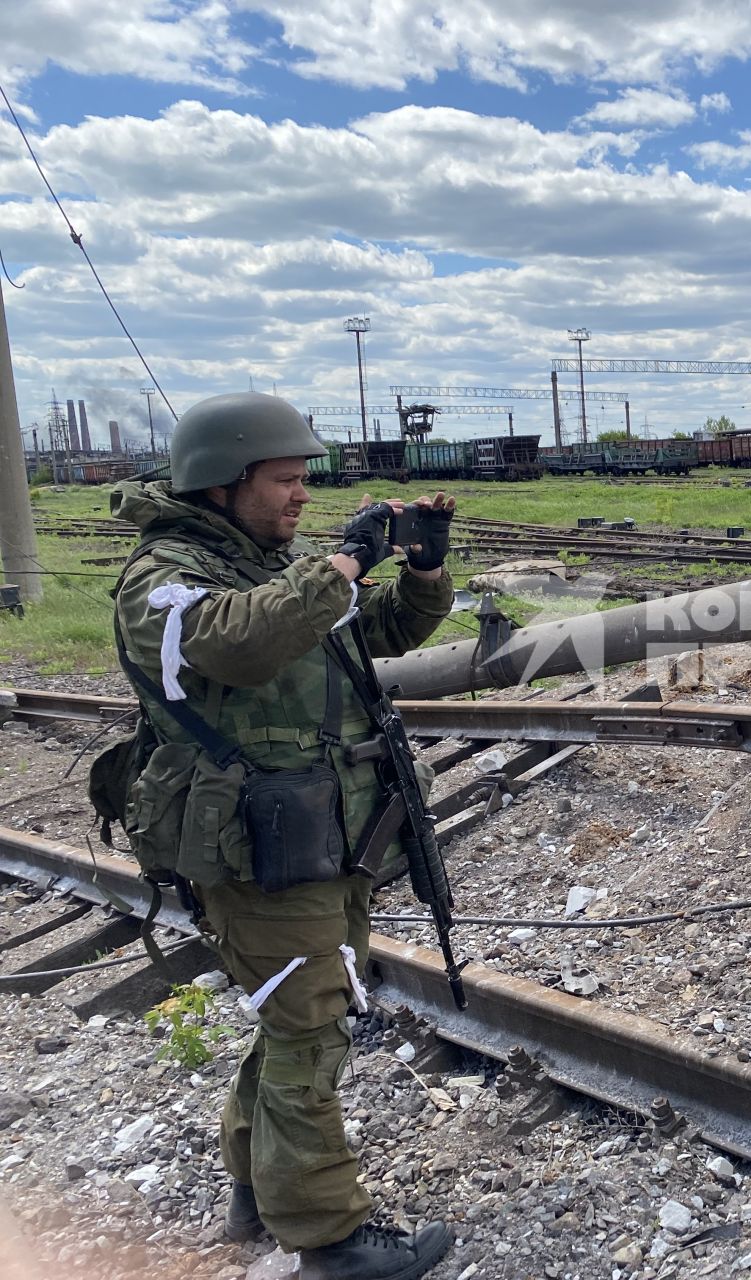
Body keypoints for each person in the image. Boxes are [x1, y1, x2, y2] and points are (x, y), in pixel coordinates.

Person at [109, 392, 455, 1280]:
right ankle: (329, 1237)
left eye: (307, 483)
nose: (303, 497)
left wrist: (418, 574)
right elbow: (238, 644)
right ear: (224, 484)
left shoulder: (270, 562)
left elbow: (366, 636)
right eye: (287, 481)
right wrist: (338, 563)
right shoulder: (166, 577)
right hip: (251, 846)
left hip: (313, 836)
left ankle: (259, 1190)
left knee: (294, 1017)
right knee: (309, 1028)